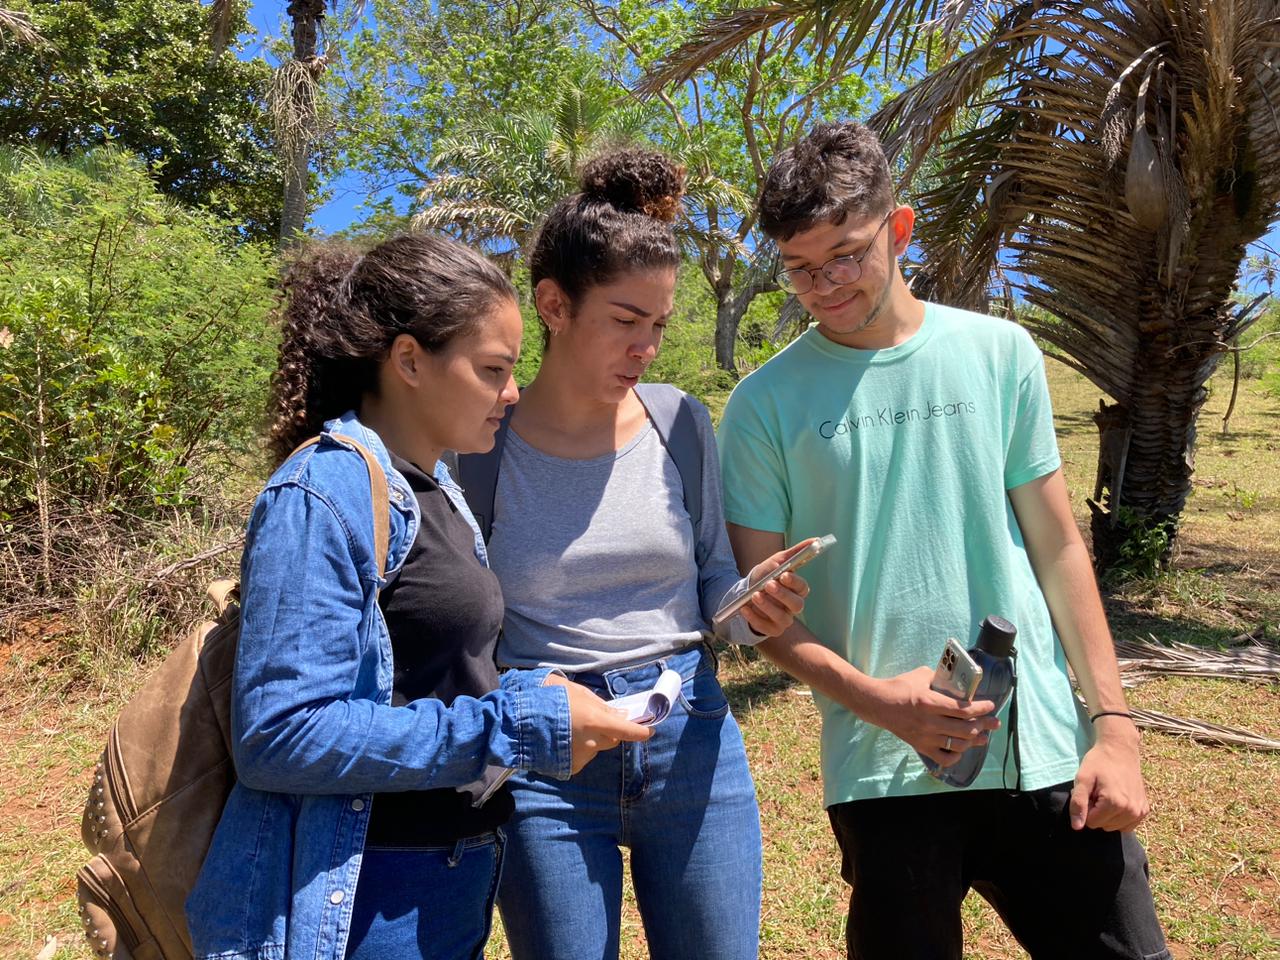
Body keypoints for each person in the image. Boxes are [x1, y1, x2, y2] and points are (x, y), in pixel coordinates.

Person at [716, 121, 1170, 960]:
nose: (827, 285)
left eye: (848, 254)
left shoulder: (1000, 354)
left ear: (900, 227)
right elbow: (762, 614)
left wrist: (1115, 729)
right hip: (884, 763)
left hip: (1042, 751)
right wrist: (879, 701)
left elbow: (1059, 548)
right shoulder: (761, 405)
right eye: (802, 268)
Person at [185, 233, 651, 960]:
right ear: (408, 360)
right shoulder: (325, 490)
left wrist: (534, 691)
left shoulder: (436, 492)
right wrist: (512, 724)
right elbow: (282, 735)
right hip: (363, 898)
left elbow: (428, 673)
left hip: (444, 880)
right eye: (493, 369)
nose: (513, 392)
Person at [460, 149, 810, 960]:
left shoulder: (679, 421)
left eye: (658, 324)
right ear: (553, 304)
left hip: (691, 736)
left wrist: (748, 610)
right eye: (625, 320)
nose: (646, 346)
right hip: (548, 752)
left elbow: (714, 578)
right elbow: (464, 617)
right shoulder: (481, 445)